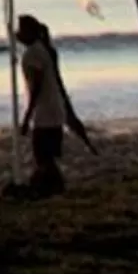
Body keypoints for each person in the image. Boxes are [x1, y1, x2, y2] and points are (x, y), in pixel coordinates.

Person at [15, 13, 91, 197]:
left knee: (43, 155)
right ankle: (51, 186)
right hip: (54, 109)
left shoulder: (33, 54)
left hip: (45, 112)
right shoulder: (44, 50)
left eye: (21, 30)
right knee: (46, 155)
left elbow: (37, 88)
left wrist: (27, 117)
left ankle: (53, 186)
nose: (17, 34)